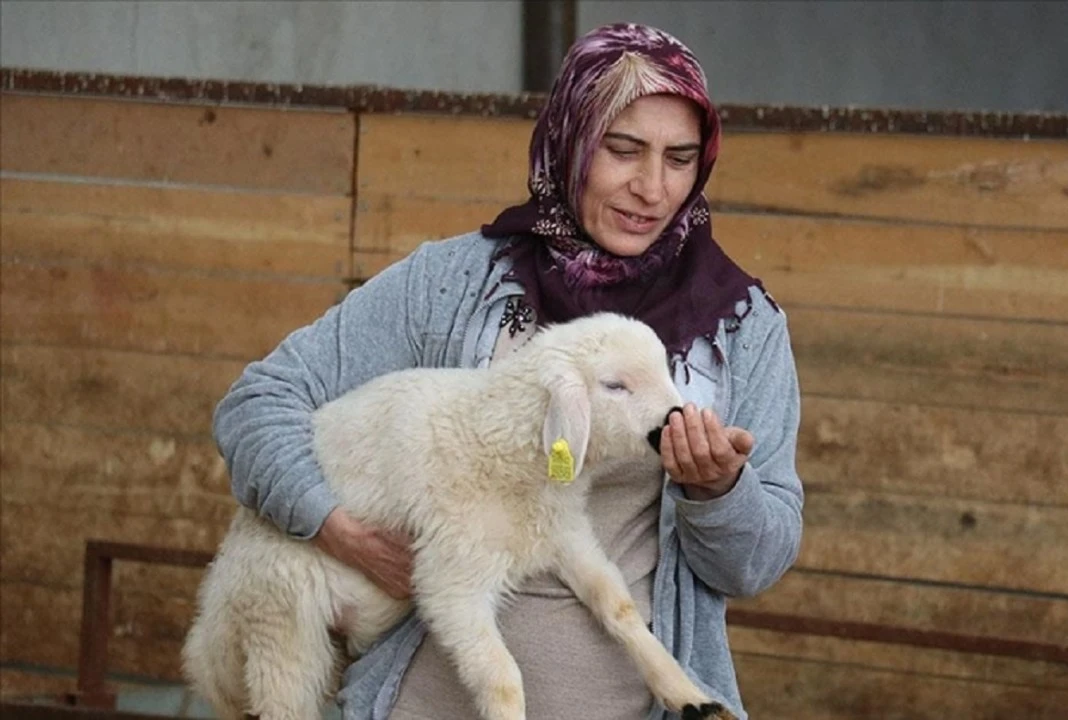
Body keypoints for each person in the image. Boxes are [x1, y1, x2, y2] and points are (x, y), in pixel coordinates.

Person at [211, 22, 803, 720]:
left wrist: (720, 492)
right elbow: (258, 401)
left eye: (679, 159)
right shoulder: (454, 282)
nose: (652, 187)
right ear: (571, 138)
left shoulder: (739, 327)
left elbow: (756, 563)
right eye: (622, 149)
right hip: (421, 702)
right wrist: (339, 531)